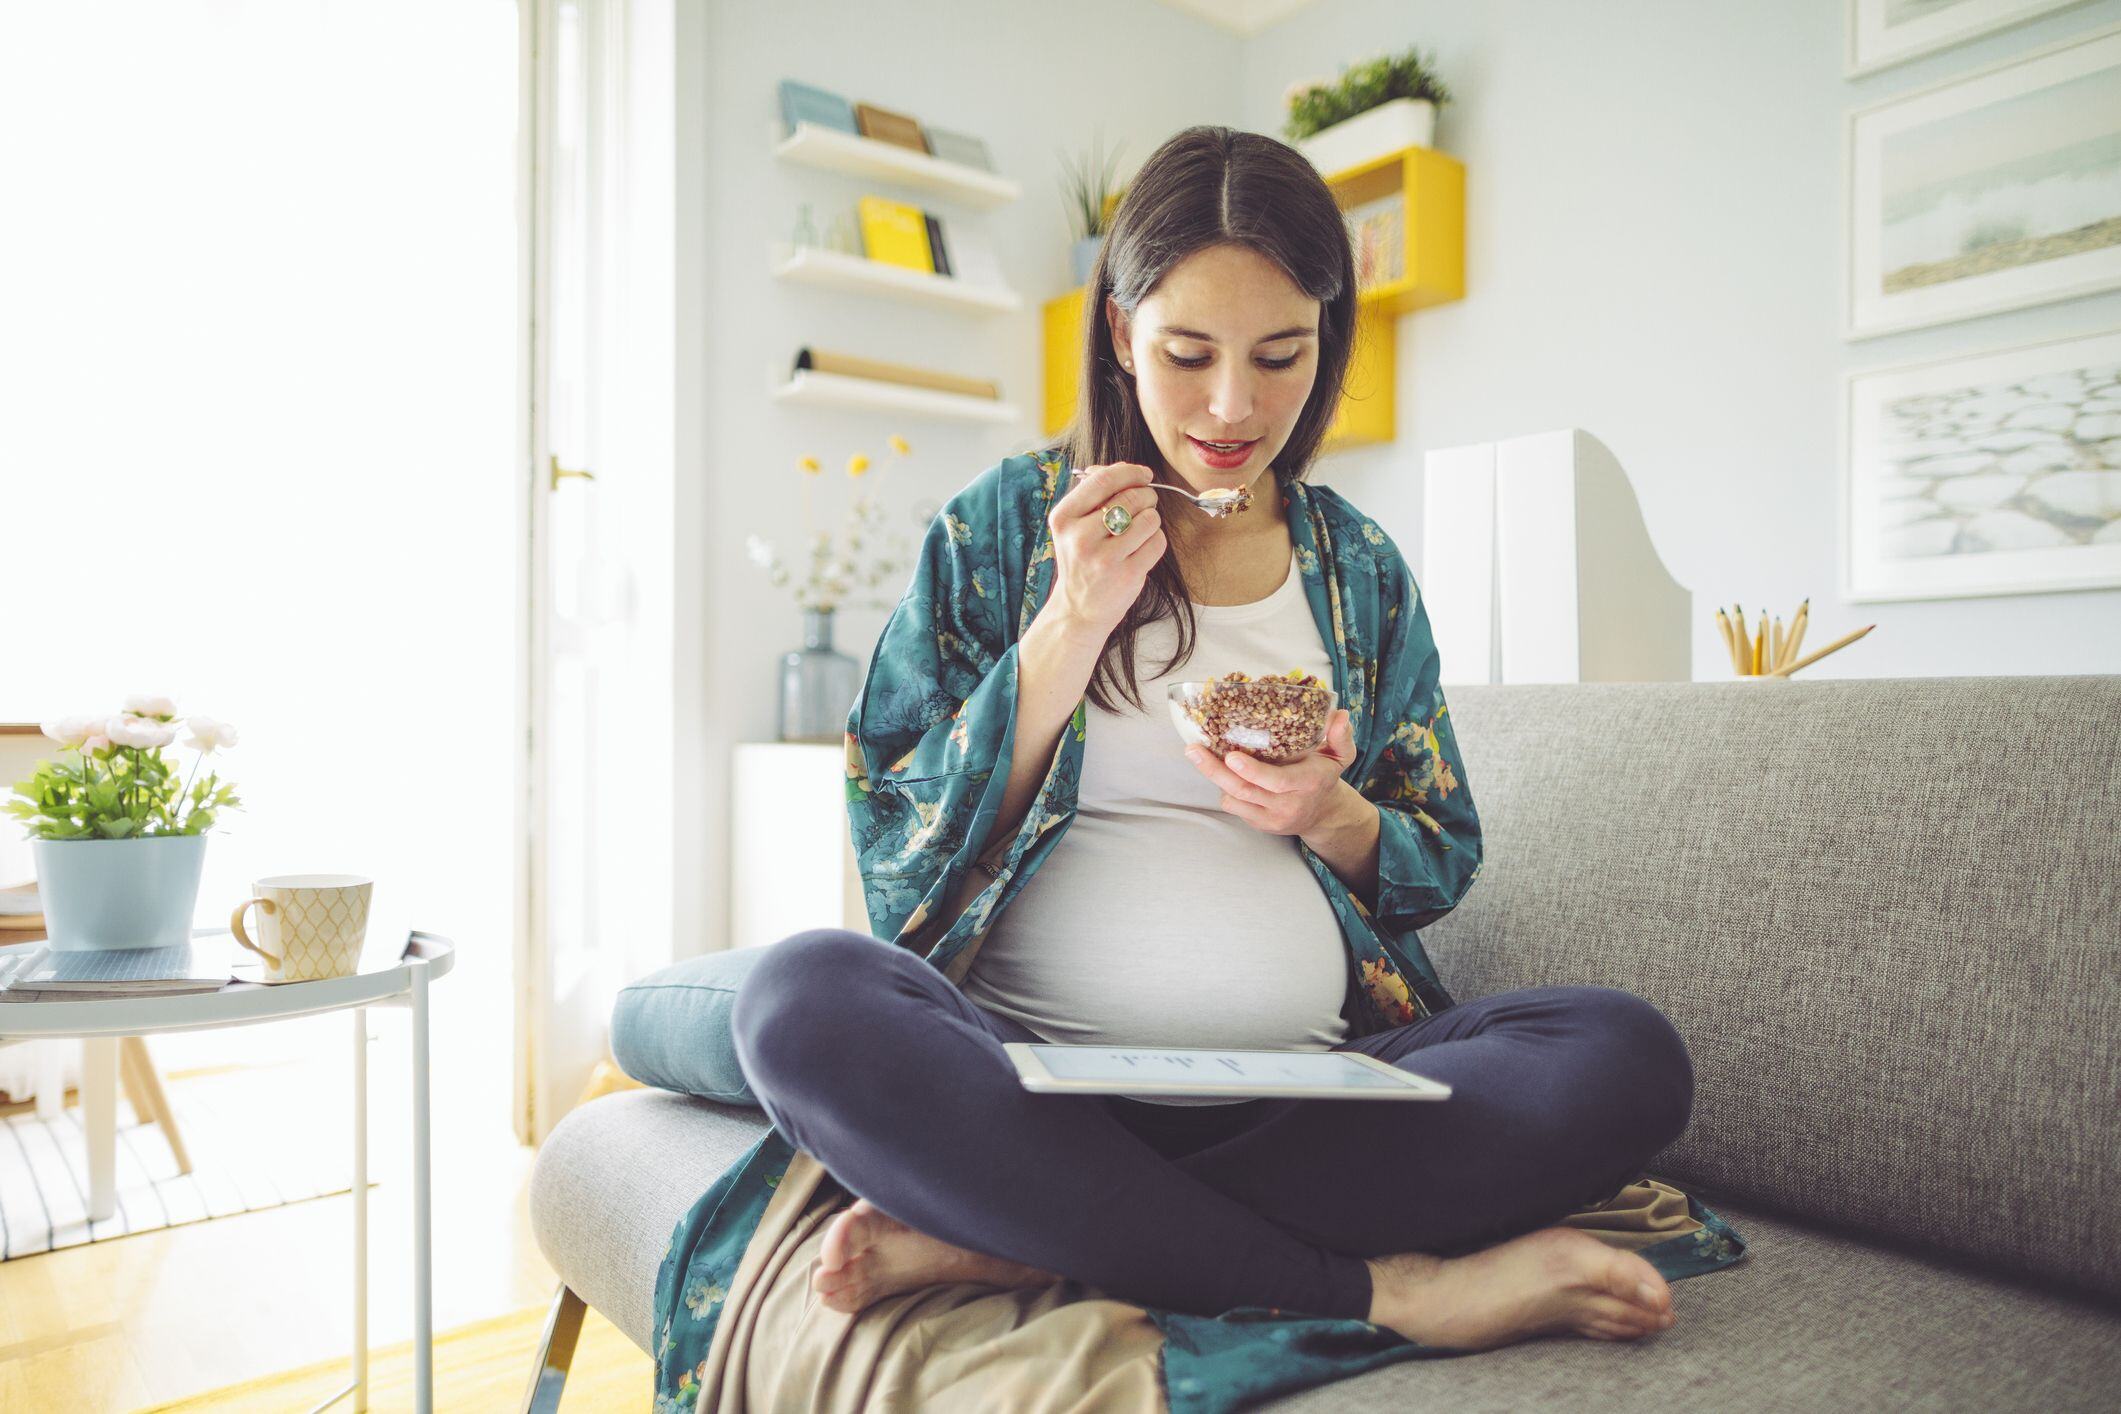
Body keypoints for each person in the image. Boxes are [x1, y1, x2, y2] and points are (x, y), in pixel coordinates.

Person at [731, 125, 1694, 1353]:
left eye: (1280, 356)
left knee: (1623, 1054)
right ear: (1122, 336)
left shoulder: (1359, 572)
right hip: (1029, 1089)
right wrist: (1070, 625)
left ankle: (1031, 1233)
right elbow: (894, 867)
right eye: (1187, 354)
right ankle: (1383, 1290)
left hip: (1309, 1099)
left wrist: (1330, 812)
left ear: (1326, 343)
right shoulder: (1001, 533)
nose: (1234, 407)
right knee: (800, 1001)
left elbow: (1439, 856)